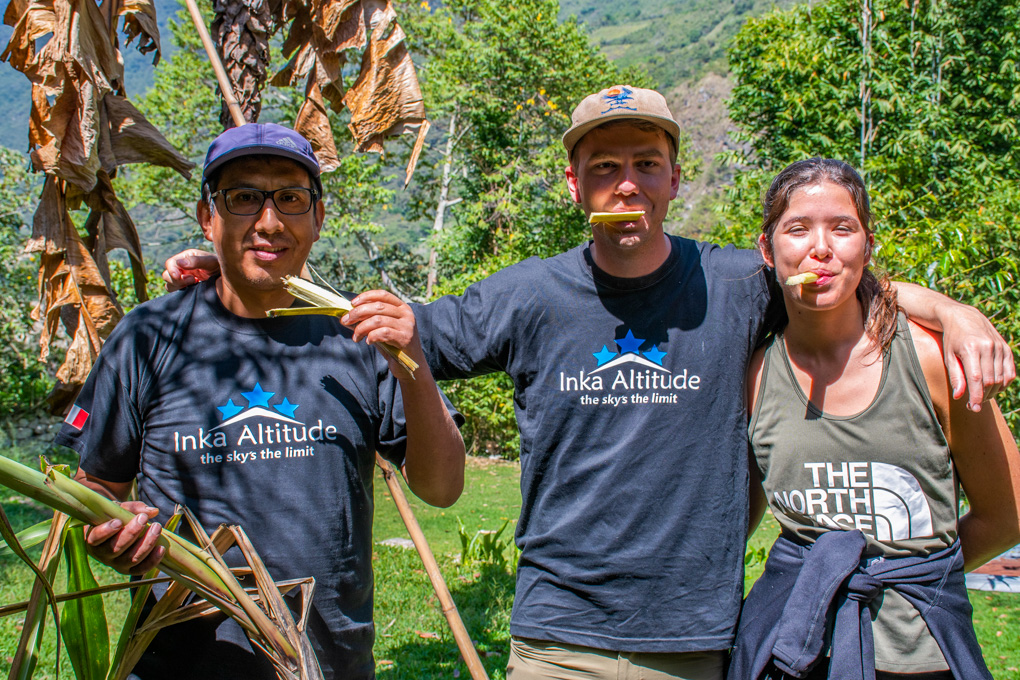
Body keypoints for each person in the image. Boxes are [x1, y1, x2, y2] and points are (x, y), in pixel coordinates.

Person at [161, 87, 1016, 680]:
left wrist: (949, 310)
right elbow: (395, 323)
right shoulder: (529, 295)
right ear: (575, 185)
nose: (627, 184)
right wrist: (250, 277)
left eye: (647, 163)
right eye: (605, 167)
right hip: (556, 638)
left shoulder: (735, 285)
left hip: (697, 639)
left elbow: (822, 275)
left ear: (675, 179)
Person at [55, 123, 466, 680]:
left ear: (317, 219)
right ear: (208, 216)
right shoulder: (149, 337)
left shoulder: (358, 338)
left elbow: (441, 488)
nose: (268, 222)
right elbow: (93, 491)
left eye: (291, 199)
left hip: (328, 663)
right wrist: (113, 531)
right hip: (179, 665)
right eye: (244, 198)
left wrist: (411, 362)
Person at [730, 158, 1020, 680]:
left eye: (842, 228)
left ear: (866, 245)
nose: (821, 248)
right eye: (798, 229)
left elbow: (1008, 516)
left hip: (920, 657)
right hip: (793, 649)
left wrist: (917, 577)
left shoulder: (931, 359)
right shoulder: (754, 374)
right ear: (768, 250)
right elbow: (736, 522)